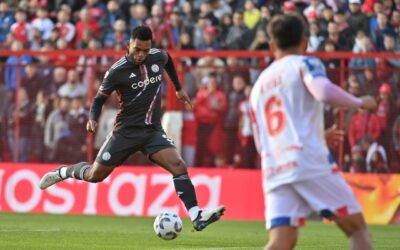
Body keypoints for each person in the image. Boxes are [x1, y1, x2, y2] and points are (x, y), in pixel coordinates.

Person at [39, 25, 225, 231]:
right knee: (95, 176)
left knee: (178, 165)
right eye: (137, 49)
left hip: (152, 131)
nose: (141, 54)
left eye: (145, 50)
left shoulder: (157, 57)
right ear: (129, 45)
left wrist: (179, 88)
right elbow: (99, 99)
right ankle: (63, 172)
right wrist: (93, 118)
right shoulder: (116, 71)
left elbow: (169, 60)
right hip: (125, 132)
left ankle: (196, 216)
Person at [249, 14, 375, 250]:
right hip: (307, 159)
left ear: (272, 45)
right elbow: (323, 92)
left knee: (281, 241)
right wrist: (359, 102)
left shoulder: (258, 86)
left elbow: (261, 139)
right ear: (304, 43)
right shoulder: (305, 63)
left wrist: (314, 137)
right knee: (357, 230)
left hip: (274, 166)